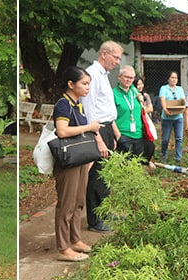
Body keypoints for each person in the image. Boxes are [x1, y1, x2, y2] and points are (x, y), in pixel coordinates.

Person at [52, 67, 102, 262]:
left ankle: (75, 239)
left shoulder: (78, 104)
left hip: (80, 160)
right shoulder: (63, 105)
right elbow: (62, 131)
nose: (88, 87)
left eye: (89, 83)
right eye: (84, 83)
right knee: (66, 204)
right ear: (71, 84)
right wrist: (90, 127)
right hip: (68, 162)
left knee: (79, 200)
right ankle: (63, 248)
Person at [79, 41, 121, 233]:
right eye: (116, 57)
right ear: (104, 54)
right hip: (97, 129)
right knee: (97, 175)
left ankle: (104, 212)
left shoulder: (104, 75)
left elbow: (105, 107)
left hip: (106, 128)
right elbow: (88, 109)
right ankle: (95, 220)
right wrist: (97, 137)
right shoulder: (92, 75)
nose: (117, 62)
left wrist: (112, 131)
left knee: (106, 175)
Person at [112, 66, 148, 162]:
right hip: (123, 135)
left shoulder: (135, 92)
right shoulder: (113, 94)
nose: (129, 80)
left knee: (137, 166)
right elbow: (109, 117)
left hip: (138, 135)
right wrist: (118, 136)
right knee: (123, 167)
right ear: (119, 77)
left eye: (131, 78)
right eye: (126, 77)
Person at [159, 71, 185, 162]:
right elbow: (162, 99)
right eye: (172, 77)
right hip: (167, 117)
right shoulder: (164, 88)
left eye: (175, 78)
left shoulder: (180, 89)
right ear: (168, 79)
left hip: (178, 117)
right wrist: (165, 109)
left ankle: (178, 157)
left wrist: (183, 104)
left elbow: (182, 100)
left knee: (179, 138)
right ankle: (163, 154)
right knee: (165, 138)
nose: (174, 79)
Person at [135, 76, 157, 160]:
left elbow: (150, 108)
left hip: (146, 122)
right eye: (138, 84)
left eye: (141, 84)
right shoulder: (133, 96)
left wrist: (141, 110)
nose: (140, 86)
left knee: (150, 141)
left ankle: (148, 160)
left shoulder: (146, 96)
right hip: (137, 122)